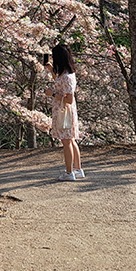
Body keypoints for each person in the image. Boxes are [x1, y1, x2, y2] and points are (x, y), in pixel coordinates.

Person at [44, 43, 83, 181]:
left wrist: (52, 94)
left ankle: (69, 172)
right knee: (71, 140)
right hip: (66, 110)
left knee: (66, 142)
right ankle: (78, 169)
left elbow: (69, 99)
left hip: (64, 111)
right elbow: (62, 85)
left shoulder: (67, 77)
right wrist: (51, 71)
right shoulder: (67, 74)